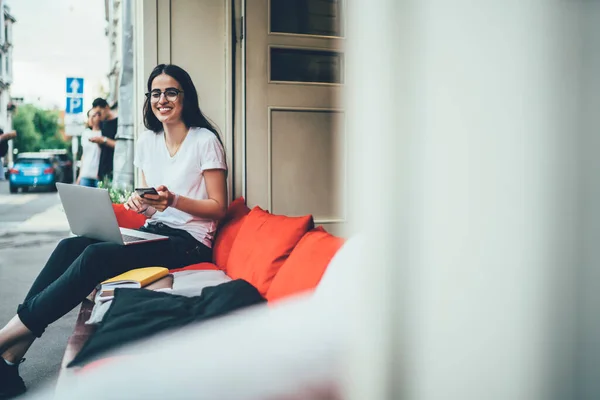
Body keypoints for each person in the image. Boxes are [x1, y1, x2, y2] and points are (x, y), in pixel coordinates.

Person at [0, 64, 228, 398]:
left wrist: (174, 201)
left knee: (96, 255)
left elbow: (218, 207)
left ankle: (6, 338)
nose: (162, 99)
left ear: (185, 97)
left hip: (190, 242)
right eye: (156, 93)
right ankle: (12, 356)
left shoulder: (204, 140)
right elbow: (153, 203)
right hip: (155, 230)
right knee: (70, 246)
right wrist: (143, 203)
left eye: (171, 91)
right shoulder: (149, 141)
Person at [90, 98, 118, 183]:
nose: (98, 116)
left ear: (106, 108)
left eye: (99, 112)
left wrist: (103, 140)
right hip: (102, 170)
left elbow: (121, 146)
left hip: (114, 169)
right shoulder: (102, 123)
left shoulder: (118, 122)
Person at [76, 109, 103, 187]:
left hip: (98, 175)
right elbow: (84, 155)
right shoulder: (85, 133)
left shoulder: (103, 133)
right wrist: (80, 175)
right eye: (90, 116)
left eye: (94, 116)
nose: (91, 119)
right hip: (85, 174)